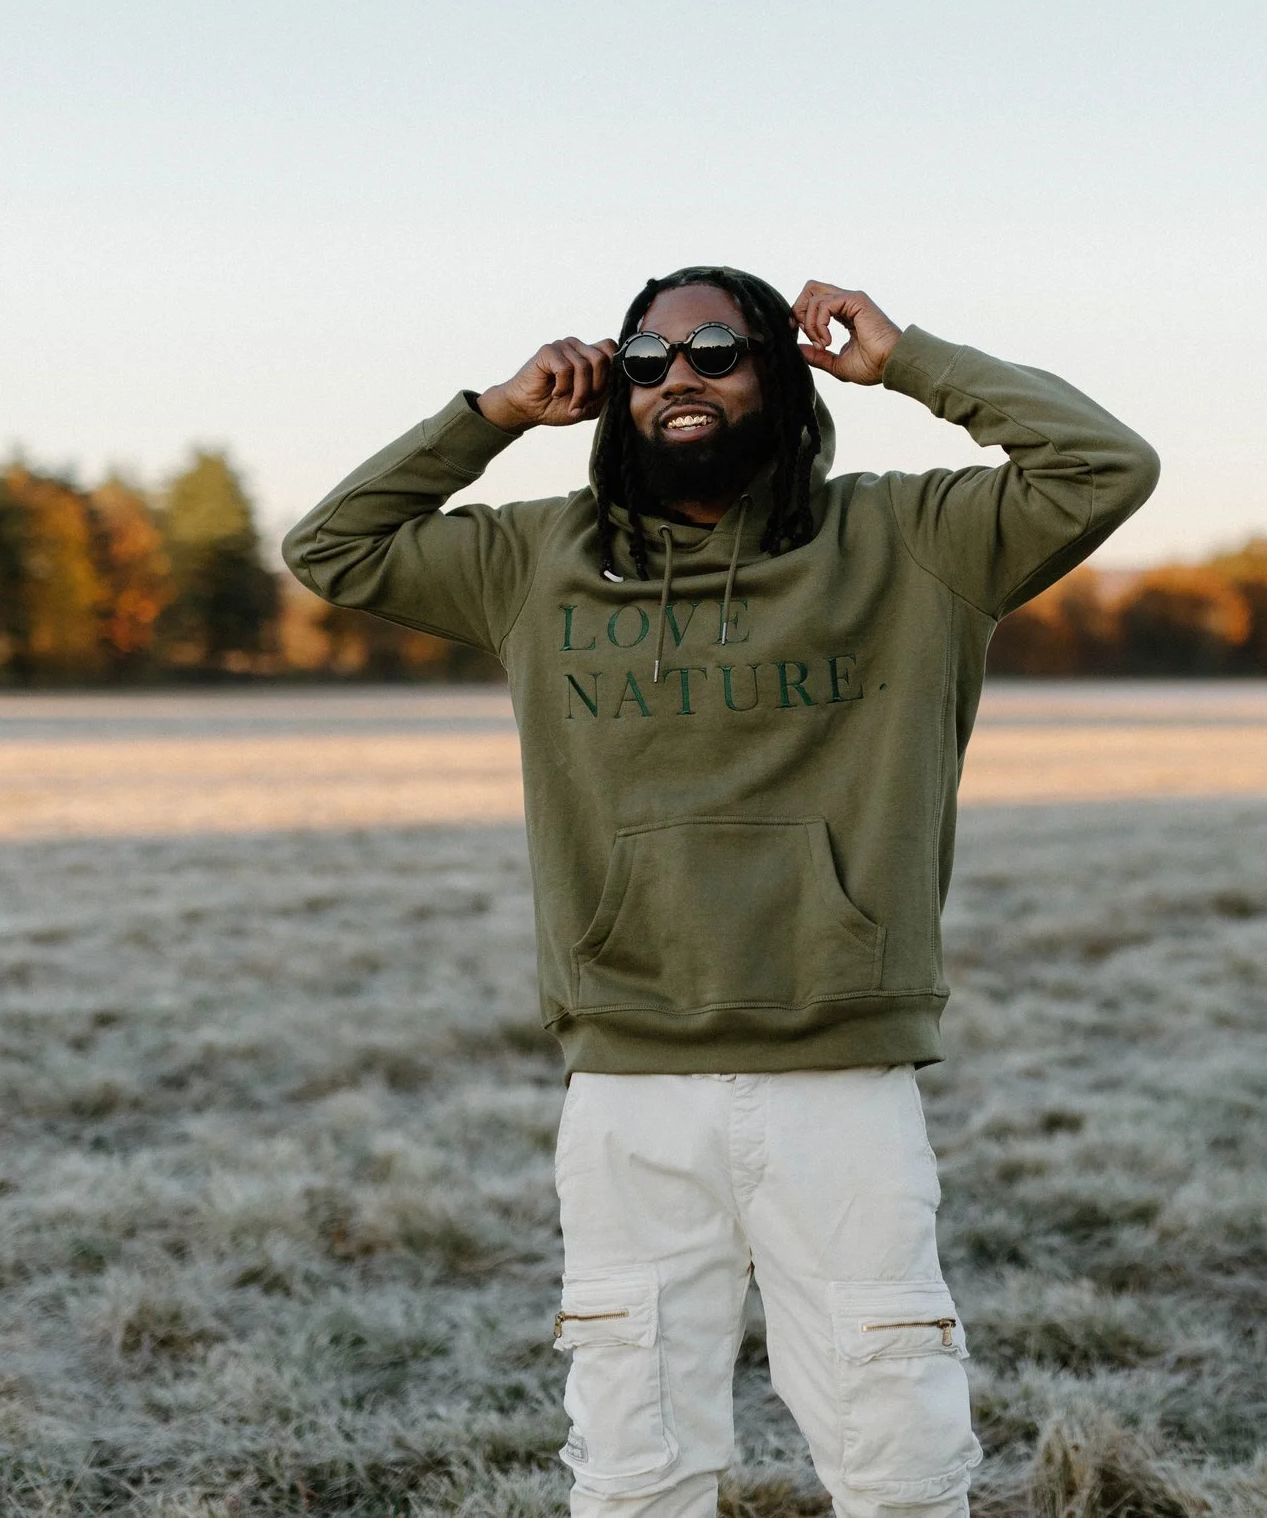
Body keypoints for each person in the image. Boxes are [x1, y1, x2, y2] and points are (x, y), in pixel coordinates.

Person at [284, 268, 1160, 1518]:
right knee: (634, 1464)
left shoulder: (914, 540)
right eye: (645, 360)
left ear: (782, 374)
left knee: (898, 1456)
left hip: (840, 1076)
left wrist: (910, 361)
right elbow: (330, 547)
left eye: (714, 348)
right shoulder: (535, 558)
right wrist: (493, 412)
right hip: (628, 1085)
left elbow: (1105, 466)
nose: (677, 376)